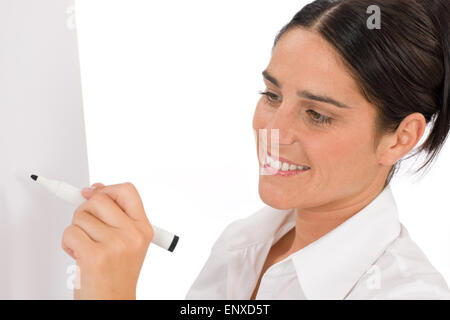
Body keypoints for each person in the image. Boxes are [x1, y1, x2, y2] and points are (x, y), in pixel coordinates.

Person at [62, 0, 450, 299]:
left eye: (316, 114)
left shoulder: (406, 292)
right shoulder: (244, 243)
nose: (273, 131)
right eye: (272, 94)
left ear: (400, 137)